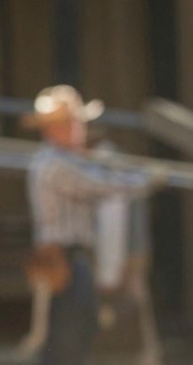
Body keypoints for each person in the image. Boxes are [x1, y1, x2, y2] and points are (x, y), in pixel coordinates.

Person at [23, 85, 162, 365]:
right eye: (72, 123)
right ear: (54, 129)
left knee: (79, 331)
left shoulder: (68, 160)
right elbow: (102, 185)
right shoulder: (55, 164)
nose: (79, 129)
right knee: (66, 336)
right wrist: (147, 180)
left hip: (75, 257)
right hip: (62, 259)